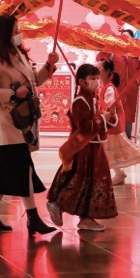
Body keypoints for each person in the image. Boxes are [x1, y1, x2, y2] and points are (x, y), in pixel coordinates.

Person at [0, 14, 58, 235]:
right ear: (4, 33)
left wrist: (49, 65)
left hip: (23, 121)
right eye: (15, 31)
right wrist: (13, 94)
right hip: (7, 123)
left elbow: (35, 81)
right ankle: (33, 217)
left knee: (4, 172)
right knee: (24, 170)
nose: (18, 34)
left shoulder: (19, 55)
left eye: (19, 30)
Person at [47, 64, 119, 232]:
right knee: (80, 180)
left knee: (90, 183)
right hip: (83, 149)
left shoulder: (94, 99)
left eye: (97, 78)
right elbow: (86, 126)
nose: (96, 82)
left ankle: (86, 218)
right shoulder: (80, 101)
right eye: (92, 78)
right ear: (81, 81)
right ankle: (58, 204)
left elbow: (100, 123)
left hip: (95, 148)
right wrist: (103, 117)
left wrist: (111, 116)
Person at [97, 59, 140, 185]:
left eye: (99, 68)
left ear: (107, 72)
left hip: (112, 125)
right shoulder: (104, 87)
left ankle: (112, 175)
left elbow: (109, 106)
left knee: (107, 151)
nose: (96, 70)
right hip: (109, 125)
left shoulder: (109, 89)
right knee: (109, 151)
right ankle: (119, 174)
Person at [97, 29, 140, 140]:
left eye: (126, 36)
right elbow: (100, 58)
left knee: (129, 115)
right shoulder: (114, 52)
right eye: (121, 37)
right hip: (117, 88)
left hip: (131, 89)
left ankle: (127, 139)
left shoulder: (136, 54)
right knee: (114, 111)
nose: (123, 39)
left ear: (132, 39)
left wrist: (136, 82)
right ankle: (114, 138)